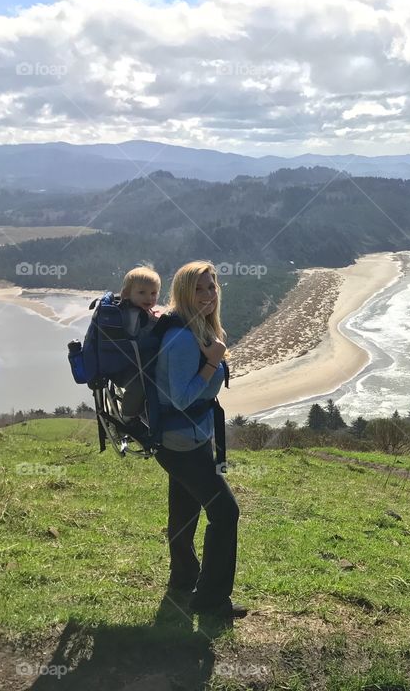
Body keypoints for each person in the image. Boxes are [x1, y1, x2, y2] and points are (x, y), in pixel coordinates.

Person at [154, 260, 245, 619]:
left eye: (212, 286)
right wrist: (213, 362)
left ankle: (183, 579)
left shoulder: (197, 328)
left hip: (186, 437)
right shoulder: (180, 339)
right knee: (226, 513)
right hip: (182, 441)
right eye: (200, 288)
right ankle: (210, 601)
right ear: (183, 293)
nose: (208, 294)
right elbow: (180, 397)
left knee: (185, 509)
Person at [118, 265, 162, 417]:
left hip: (136, 361)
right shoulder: (131, 314)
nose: (149, 298)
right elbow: (135, 340)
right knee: (138, 387)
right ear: (126, 294)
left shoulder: (140, 311)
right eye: (142, 293)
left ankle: (143, 413)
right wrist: (157, 335)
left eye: (153, 293)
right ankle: (127, 417)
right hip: (128, 365)